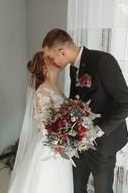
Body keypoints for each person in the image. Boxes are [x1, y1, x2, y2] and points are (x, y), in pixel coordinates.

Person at [42, 28, 128, 193]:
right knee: (77, 188)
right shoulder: (73, 67)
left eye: (51, 57)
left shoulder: (103, 61)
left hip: (104, 143)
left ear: (62, 52)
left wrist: (98, 130)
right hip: (79, 143)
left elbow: (126, 102)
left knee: (103, 190)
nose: (51, 61)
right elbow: (76, 101)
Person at [7, 51, 73, 193]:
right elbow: (43, 125)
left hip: (61, 143)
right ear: (45, 68)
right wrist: (62, 135)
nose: (56, 60)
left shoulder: (57, 88)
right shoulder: (42, 90)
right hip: (50, 145)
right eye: (51, 60)